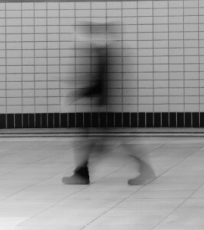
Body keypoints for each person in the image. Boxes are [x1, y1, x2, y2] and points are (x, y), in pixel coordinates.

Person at [62, 21, 156, 186]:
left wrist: (79, 93)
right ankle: (82, 173)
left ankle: (83, 174)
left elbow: (101, 84)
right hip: (109, 106)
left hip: (107, 107)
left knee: (96, 141)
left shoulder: (104, 55)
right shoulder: (108, 53)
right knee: (94, 141)